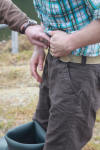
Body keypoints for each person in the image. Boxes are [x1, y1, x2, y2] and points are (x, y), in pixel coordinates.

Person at [30, 0, 100, 150]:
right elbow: (50, 11)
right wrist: (39, 46)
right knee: (40, 132)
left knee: (61, 145)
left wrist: (70, 41)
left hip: (80, 69)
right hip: (54, 61)